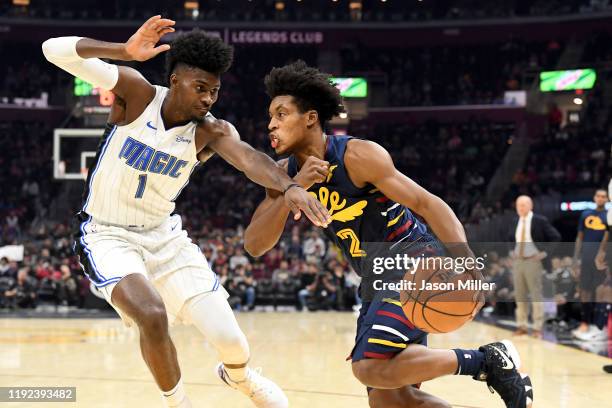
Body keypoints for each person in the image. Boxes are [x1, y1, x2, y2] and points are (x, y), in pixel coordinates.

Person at [42, 16, 332, 408]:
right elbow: (51, 49)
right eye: (200, 88)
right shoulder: (137, 93)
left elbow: (249, 159)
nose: (208, 99)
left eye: (214, 91)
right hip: (106, 233)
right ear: (175, 81)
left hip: (164, 236)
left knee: (231, 341)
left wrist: (291, 186)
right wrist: (123, 52)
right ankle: (177, 403)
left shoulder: (209, 130)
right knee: (151, 313)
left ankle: (240, 377)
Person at [244, 61, 533, 408]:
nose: (271, 124)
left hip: (411, 259)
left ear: (310, 118)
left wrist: (467, 263)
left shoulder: (357, 155)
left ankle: (486, 361)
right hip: (374, 277)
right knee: (392, 400)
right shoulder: (280, 175)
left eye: (281, 113)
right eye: (270, 116)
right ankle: (486, 364)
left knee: (369, 366)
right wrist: (295, 186)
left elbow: (427, 203)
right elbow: (255, 244)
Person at [509, 195, 561, 337]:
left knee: (535, 294)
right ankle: (522, 325)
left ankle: (538, 327)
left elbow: (556, 237)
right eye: (519, 205)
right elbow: (509, 238)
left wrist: (544, 253)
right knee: (520, 295)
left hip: (533, 260)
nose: (521, 207)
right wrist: (511, 251)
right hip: (518, 261)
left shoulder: (540, 220)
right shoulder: (515, 221)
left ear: (531, 206)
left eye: (524, 205)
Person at [572, 189, 608, 341]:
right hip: (586, 258)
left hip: (601, 261)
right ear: (594, 198)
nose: (600, 198)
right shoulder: (585, 214)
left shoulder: (609, 216)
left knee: (599, 291)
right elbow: (579, 237)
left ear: (607, 199)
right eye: (598, 196)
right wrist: (575, 258)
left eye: (603, 196)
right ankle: (585, 322)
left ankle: (598, 325)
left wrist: (602, 253)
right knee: (584, 291)